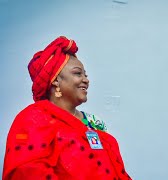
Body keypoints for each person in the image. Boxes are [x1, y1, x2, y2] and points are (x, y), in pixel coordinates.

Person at [3, 36, 132, 180]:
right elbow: (26, 171)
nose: (86, 79)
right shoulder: (32, 119)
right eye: (78, 73)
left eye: (86, 75)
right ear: (56, 80)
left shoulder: (94, 122)